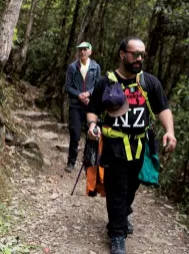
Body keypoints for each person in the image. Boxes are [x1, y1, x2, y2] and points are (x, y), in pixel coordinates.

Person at [86, 36, 177, 254]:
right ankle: (118, 235)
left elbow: (162, 109)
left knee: (131, 187)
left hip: (140, 147)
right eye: (135, 53)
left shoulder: (149, 82)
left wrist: (170, 132)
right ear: (122, 54)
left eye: (142, 55)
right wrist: (91, 125)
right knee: (117, 188)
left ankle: (122, 214)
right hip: (114, 145)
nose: (139, 58)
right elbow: (93, 109)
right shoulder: (105, 82)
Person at [64, 42, 101, 173]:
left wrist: (89, 94)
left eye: (85, 49)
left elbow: (98, 86)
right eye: (80, 50)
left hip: (91, 106)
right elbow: (67, 86)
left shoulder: (95, 67)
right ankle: (71, 162)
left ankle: (88, 162)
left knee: (91, 134)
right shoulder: (72, 67)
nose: (82, 52)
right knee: (74, 133)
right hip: (75, 105)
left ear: (90, 51)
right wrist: (79, 95)